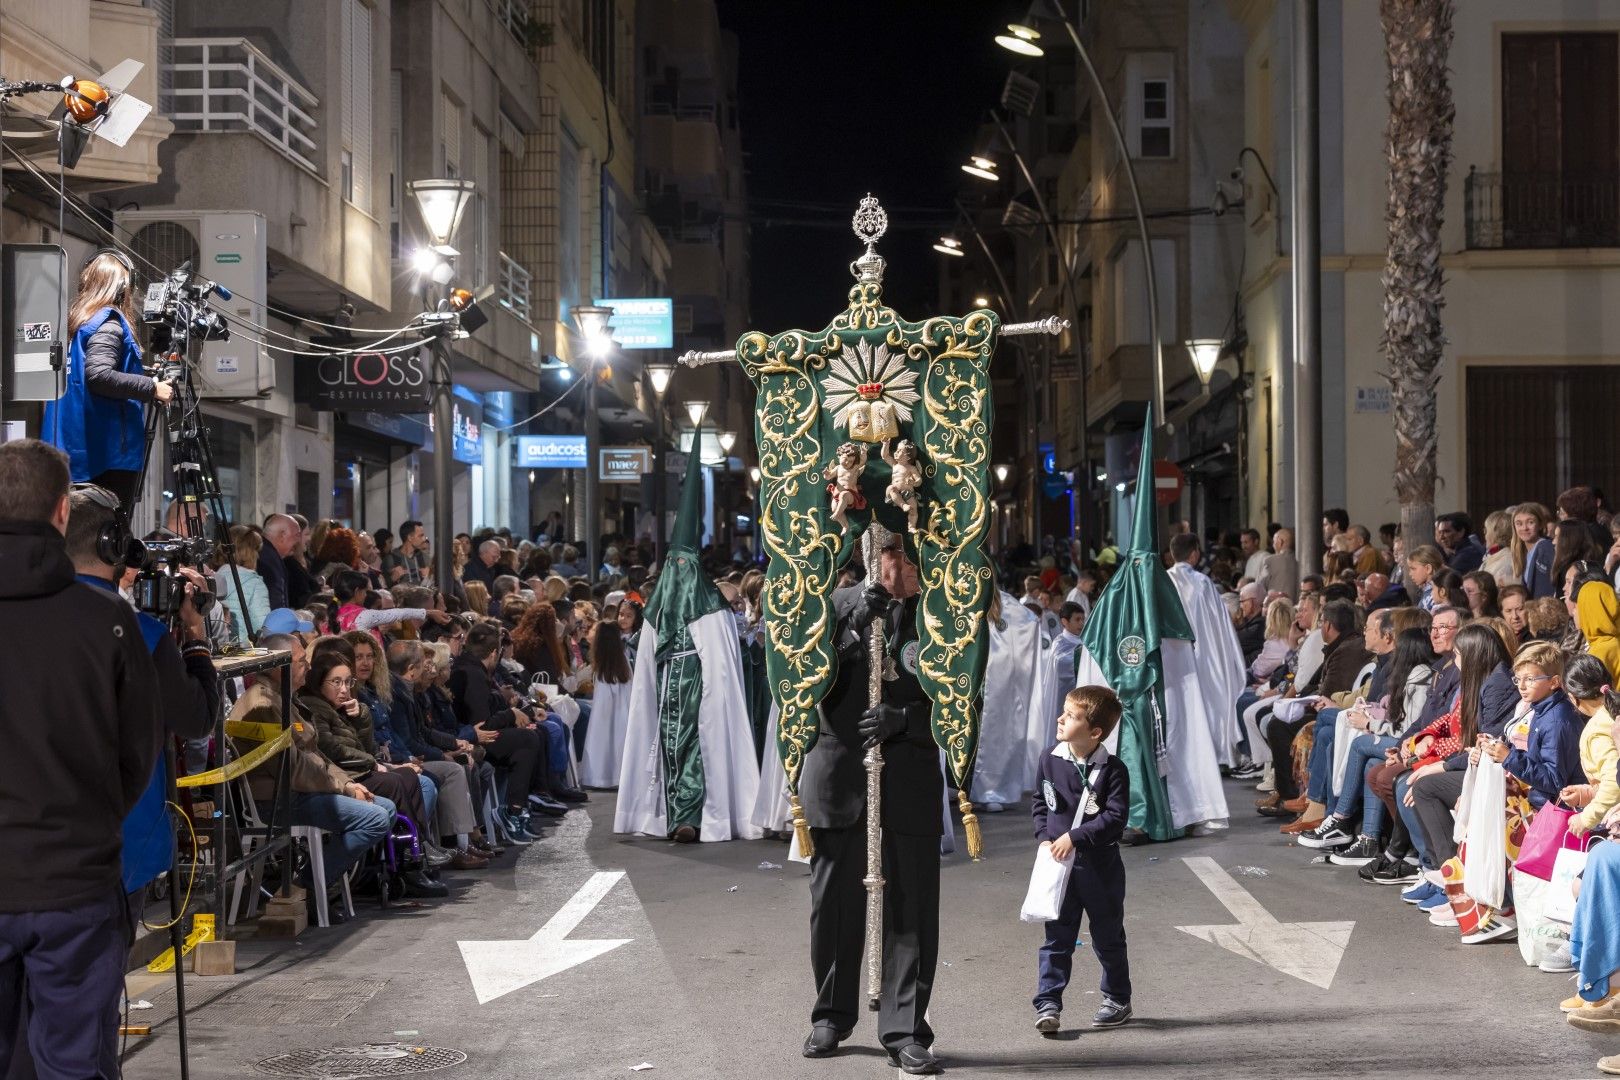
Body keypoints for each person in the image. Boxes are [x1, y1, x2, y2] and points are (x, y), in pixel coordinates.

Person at [0, 440, 169, 1077]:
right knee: (74, 1064)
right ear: (62, 513)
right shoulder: (108, 623)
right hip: (73, 878)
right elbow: (137, 755)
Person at [799, 537, 941, 1074]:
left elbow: (965, 702)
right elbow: (802, 679)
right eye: (894, 556)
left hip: (908, 777)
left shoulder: (938, 617)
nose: (902, 567)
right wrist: (857, 623)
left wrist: (907, 721)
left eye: (911, 558)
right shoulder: (830, 605)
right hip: (840, 777)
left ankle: (905, 1027)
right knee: (832, 904)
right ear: (872, 556)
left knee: (911, 907)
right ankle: (831, 1013)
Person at [1031, 685, 1132, 1035]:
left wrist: (1074, 837)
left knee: (1107, 937)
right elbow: (1040, 803)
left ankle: (1117, 998)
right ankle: (1048, 1002)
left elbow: (1115, 819)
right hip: (1060, 869)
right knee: (1056, 938)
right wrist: (1044, 838)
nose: (1060, 718)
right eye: (1064, 711)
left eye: (1071, 716)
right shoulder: (1050, 758)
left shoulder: (1113, 770)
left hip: (1099, 869)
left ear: (1095, 732)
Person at [41, 251, 173, 508]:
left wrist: (141, 373)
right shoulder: (109, 323)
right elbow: (99, 376)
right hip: (107, 455)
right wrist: (151, 388)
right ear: (123, 285)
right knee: (110, 538)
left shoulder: (76, 326)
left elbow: (90, 373)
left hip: (73, 452)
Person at [1167, 533, 1246, 767]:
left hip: (1171, 656)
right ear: (1194, 554)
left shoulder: (1162, 582)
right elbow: (1220, 626)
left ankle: (1176, 756)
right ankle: (1211, 755)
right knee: (1208, 700)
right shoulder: (1202, 583)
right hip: (1203, 654)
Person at [217, 523, 271, 646]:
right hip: (245, 653)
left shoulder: (213, 578)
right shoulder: (254, 583)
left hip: (218, 649)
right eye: (256, 550)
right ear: (250, 552)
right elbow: (263, 626)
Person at [1259, 526, 1299, 599]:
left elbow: (1259, 587)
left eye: (1274, 542)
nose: (1273, 545)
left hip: (1276, 607)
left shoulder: (1270, 561)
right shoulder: (1300, 562)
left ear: (1280, 542)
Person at [385, 520, 427, 586]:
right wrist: (392, 579)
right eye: (420, 536)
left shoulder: (423, 558)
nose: (424, 539)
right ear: (410, 537)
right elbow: (382, 586)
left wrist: (428, 577)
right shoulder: (391, 559)